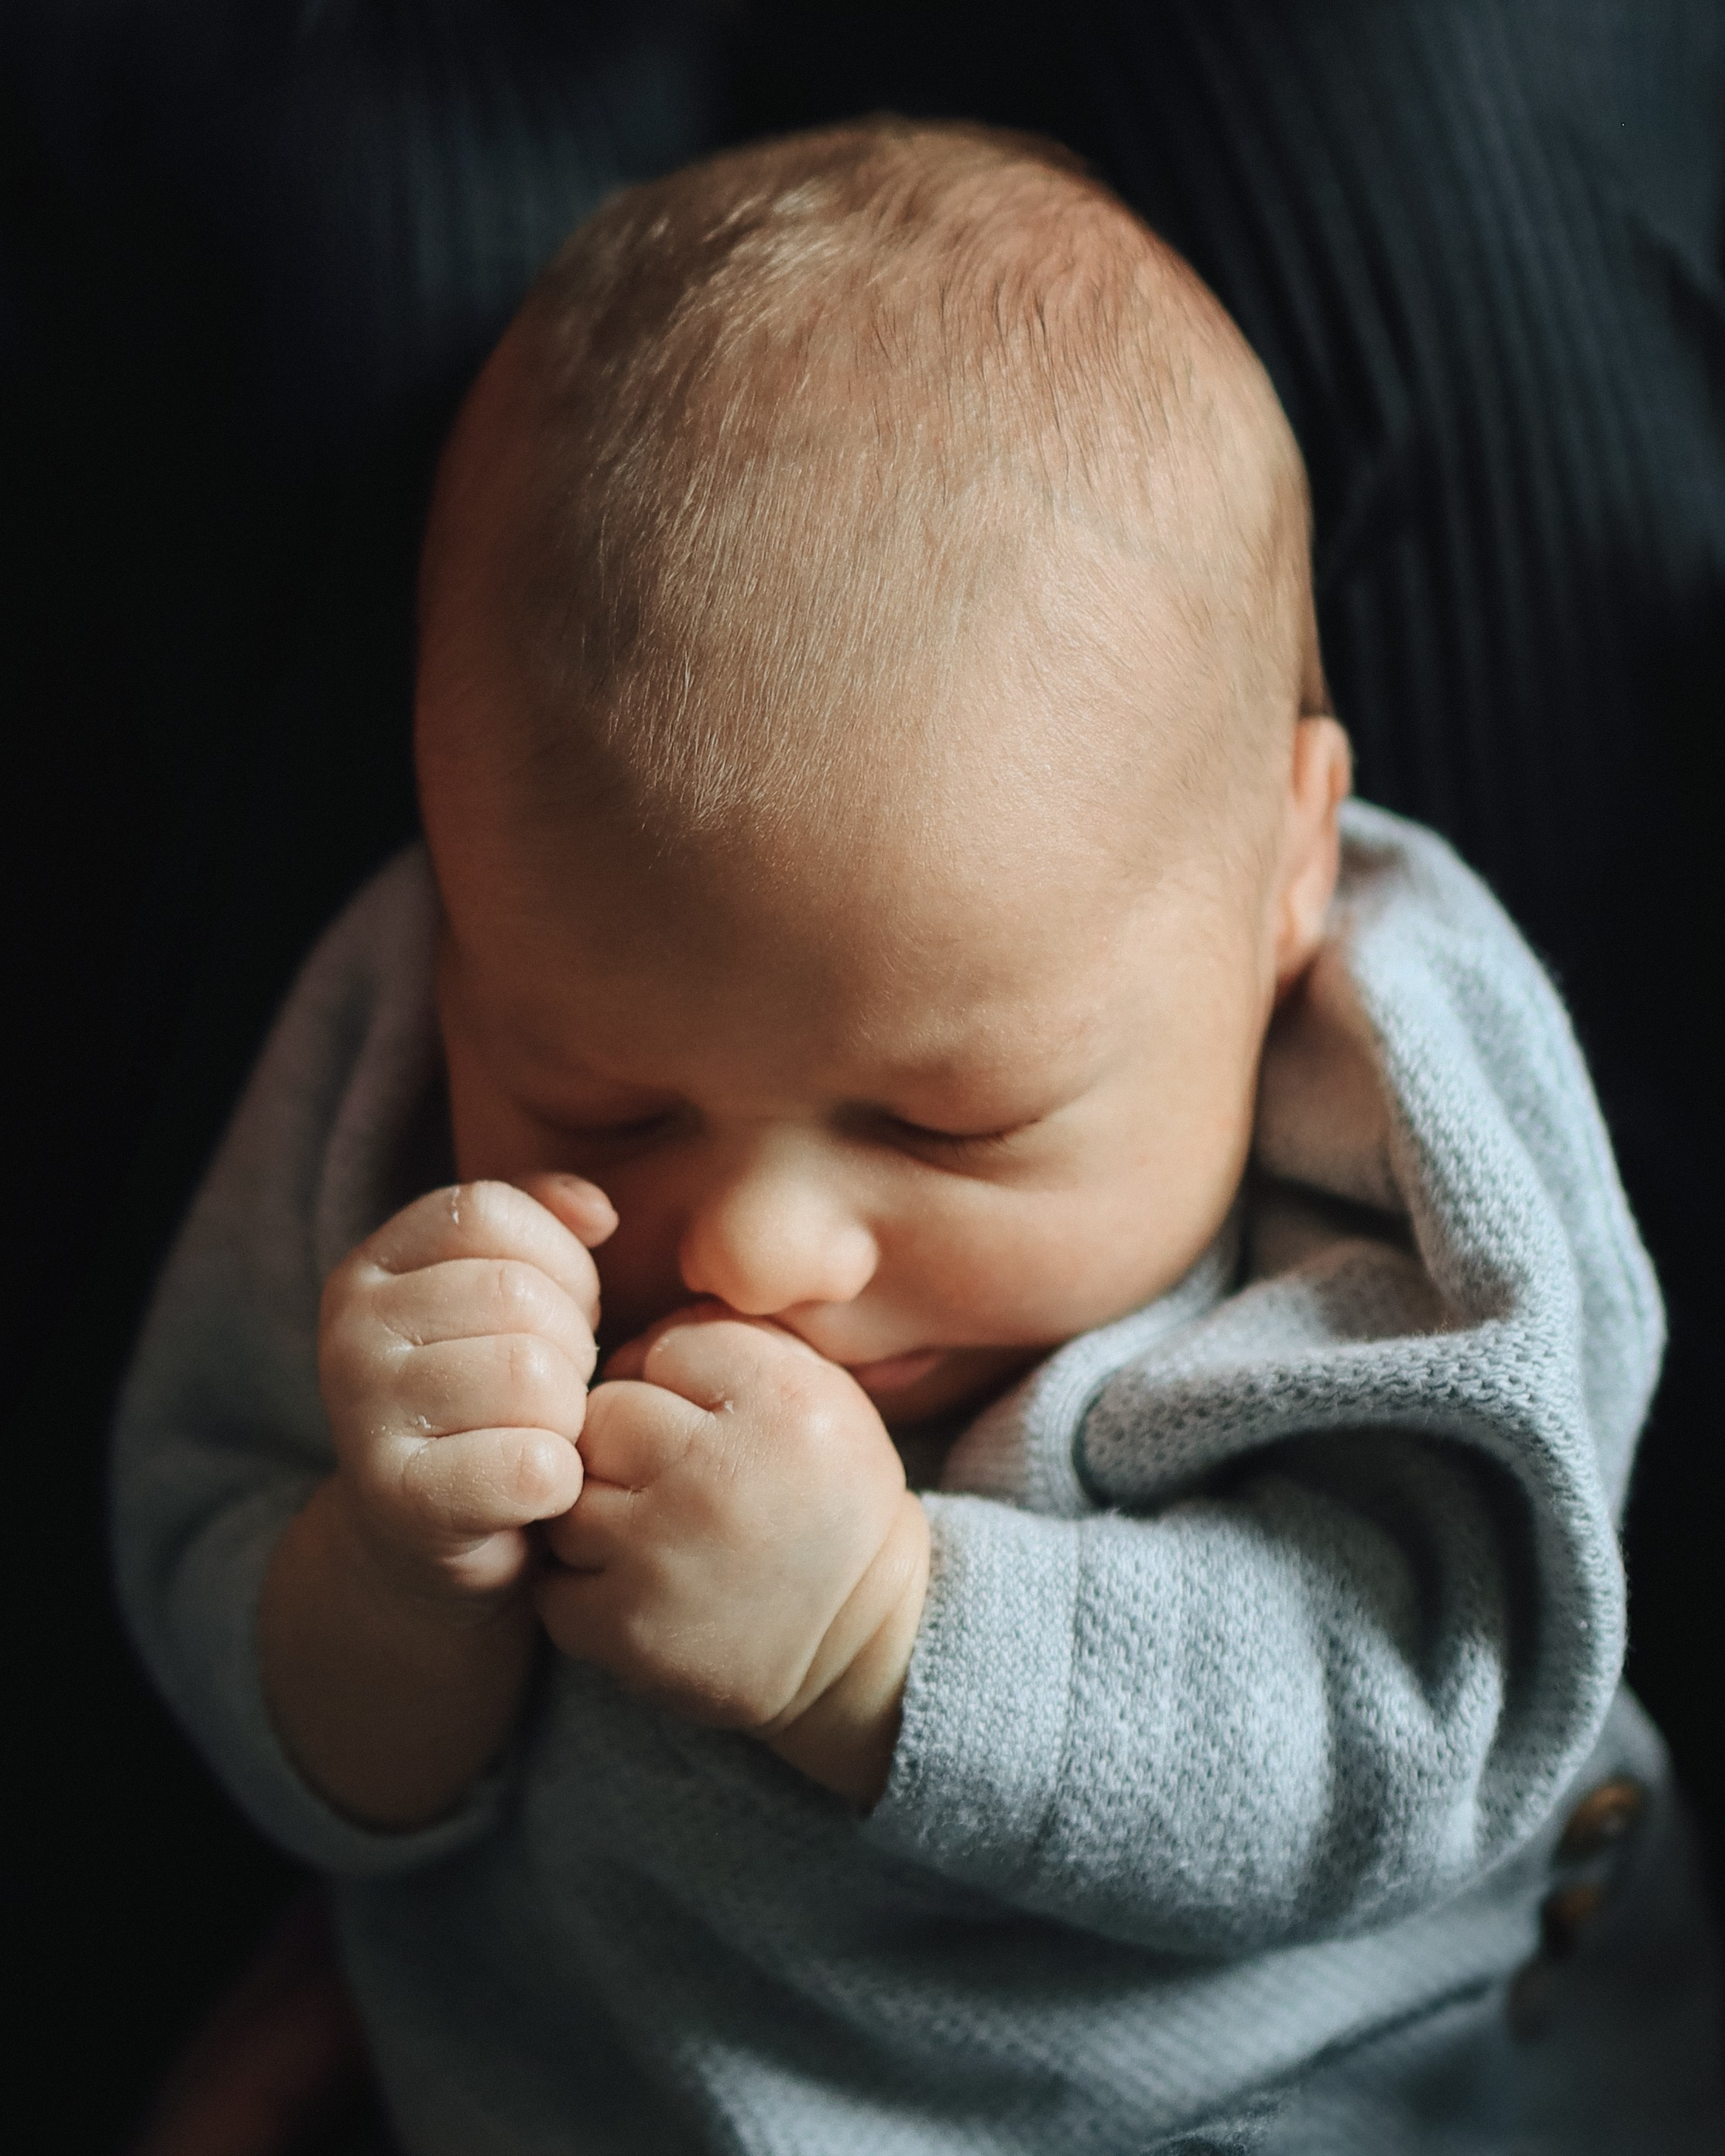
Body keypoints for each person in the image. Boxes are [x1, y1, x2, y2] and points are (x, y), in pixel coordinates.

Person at [112, 119, 1723, 2153]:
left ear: (1283, 872)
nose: (757, 1247)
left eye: (948, 1120)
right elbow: (235, 1630)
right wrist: (389, 1582)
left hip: (1340, 2087)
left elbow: (1422, 1731)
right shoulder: (420, 1048)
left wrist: (884, 1638)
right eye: (600, 1097)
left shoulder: (1386, 1199)